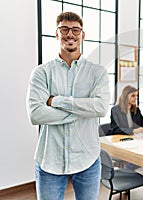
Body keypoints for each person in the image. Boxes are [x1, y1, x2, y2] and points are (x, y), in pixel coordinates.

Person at [26, 12, 110, 200]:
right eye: (64, 29)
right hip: (50, 161)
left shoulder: (97, 73)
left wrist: (56, 101)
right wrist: (83, 111)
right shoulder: (42, 72)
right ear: (57, 34)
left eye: (75, 30)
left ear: (82, 35)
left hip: (88, 159)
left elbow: (101, 108)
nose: (70, 34)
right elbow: (36, 114)